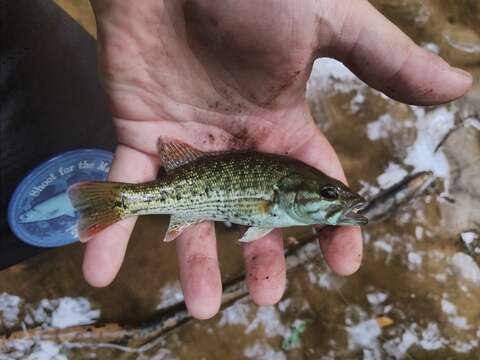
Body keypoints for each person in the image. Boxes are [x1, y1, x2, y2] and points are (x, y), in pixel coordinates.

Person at [87, 0, 472, 319]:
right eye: (327, 193)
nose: (336, 199)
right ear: (290, 192)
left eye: (331, 194)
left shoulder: (282, 199)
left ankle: (117, 203)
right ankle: (120, 202)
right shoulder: (274, 200)